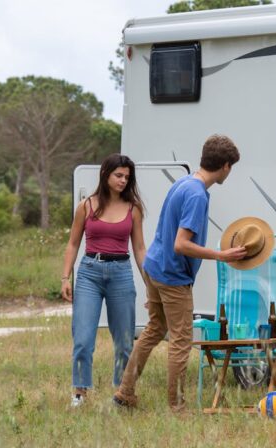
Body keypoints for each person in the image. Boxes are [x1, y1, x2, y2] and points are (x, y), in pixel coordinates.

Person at [113, 134, 247, 412]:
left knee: (154, 329)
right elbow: (181, 244)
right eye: (230, 167)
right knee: (181, 342)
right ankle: (177, 407)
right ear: (224, 166)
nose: (229, 172)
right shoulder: (197, 195)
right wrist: (221, 255)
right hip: (172, 276)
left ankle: (126, 392)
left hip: (154, 266)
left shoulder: (184, 183)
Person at [61, 154, 146, 407]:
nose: (123, 181)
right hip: (89, 272)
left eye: (127, 177)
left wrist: (151, 286)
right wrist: (66, 277)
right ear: (105, 175)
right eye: (118, 176)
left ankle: (122, 394)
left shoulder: (133, 209)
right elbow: (73, 243)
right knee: (83, 338)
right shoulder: (86, 206)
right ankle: (79, 392)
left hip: (121, 272)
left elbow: (140, 249)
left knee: (124, 339)